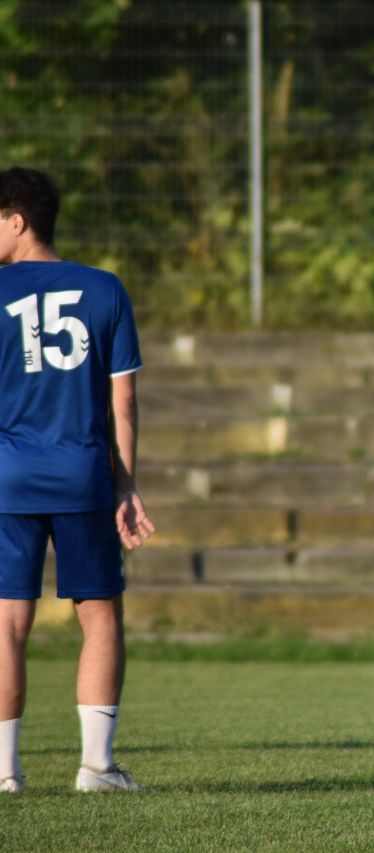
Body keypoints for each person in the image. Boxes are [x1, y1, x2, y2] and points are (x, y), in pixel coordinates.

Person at [0, 167, 154, 794]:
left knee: (7, 622)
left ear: (17, 221)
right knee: (99, 615)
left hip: (8, 479)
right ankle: (97, 767)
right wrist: (125, 484)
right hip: (83, 475)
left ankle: (4, 772)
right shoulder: (104, 288)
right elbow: (125, 405)